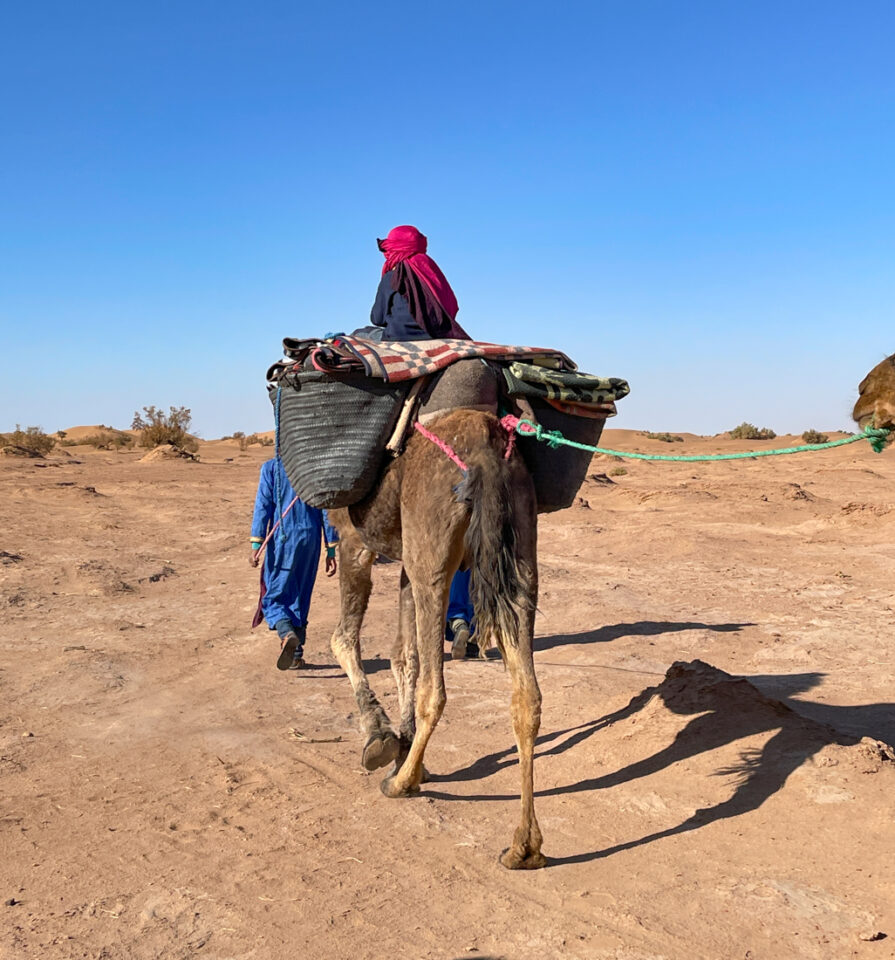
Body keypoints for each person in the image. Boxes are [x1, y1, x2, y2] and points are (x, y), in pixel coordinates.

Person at [370, 225, 478, 657]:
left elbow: (379, 318)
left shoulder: (392, 274)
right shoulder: (430, 270)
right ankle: (462, 618)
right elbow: (449, 309)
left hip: (406, 355)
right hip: (442, 346)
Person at [250, 456, 338, 670]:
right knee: (301, 592)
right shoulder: (317, 466)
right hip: (311, 540)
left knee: (274, 597)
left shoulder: (272, 468)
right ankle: (296, 655)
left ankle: (286, 634)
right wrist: (331, 547)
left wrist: (256, 544)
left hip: (284, 538)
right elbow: (327, 510)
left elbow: (263, 506)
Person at [370, 225, 471, 341]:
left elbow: (377, 319)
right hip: (436, 335)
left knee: (360, 334)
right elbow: (450, 306)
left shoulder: (392, 276)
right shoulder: (432, 272)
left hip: (397, 336)